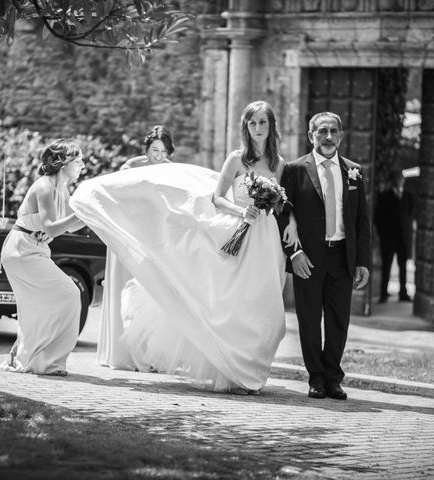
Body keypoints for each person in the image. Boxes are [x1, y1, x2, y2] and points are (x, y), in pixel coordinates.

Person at [71, 100, 292, 394]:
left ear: (271, 125)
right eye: (253, 123)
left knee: (262, 304)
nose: (258, 129)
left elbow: (287, 205)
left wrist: (288, 221)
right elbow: (218, 198)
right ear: (246, 127)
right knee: (232, 304)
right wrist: (243, 212)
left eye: (263, 122)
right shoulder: (236, 159)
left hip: (266, 242)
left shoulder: (279, 164)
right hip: (239, 231)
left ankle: (252, 369)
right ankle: (233, 373)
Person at [278, 112, 371, 400]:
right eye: (322, 131)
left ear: (341, 136)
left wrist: (362, 261)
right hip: (308, 258)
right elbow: (282, 214)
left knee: (338, 320)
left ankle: (333, 377)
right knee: (308, 319)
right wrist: (295, 254)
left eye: (333, 131)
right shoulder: (295, 170)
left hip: (342, 256)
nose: (328, 137)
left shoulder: (354, 171)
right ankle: (316, 377)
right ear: (311, 136)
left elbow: (361, 220)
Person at [0, 139, 86, 376]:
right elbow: (51, 228)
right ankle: (48, 362)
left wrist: (91, 214)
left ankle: (29, 356)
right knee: (70, 293)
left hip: (35, 251)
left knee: (41, 307)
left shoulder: (63, 189)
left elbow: (69, 226)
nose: (82, 165)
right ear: (64, 162)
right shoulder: (45, 186)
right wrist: (82, 212)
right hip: (22, 251)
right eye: (78, 160)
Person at [97, 125, 175, 370]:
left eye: (163, 150)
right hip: (127, 235)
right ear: (147, 148)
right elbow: (115, 199)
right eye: (154, 150)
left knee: (149, 295)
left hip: (153, 240)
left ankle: (149, 354)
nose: (159, 155)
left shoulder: (172, 171)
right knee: (123, 290)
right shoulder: (131, 167)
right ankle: (122, 354)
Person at [374, 169, 413, 302]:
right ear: (392, 181)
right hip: (388, 238)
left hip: (403, 238)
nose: (398, 181)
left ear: (403, 180)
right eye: (396, 178)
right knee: (387, 265)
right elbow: (378, 218)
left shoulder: (408, 197)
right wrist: (382, 234)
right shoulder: (384, 196)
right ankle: (383, 294)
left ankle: (403, 293)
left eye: (400, 178)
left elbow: (410, 217)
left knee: (403, 266)